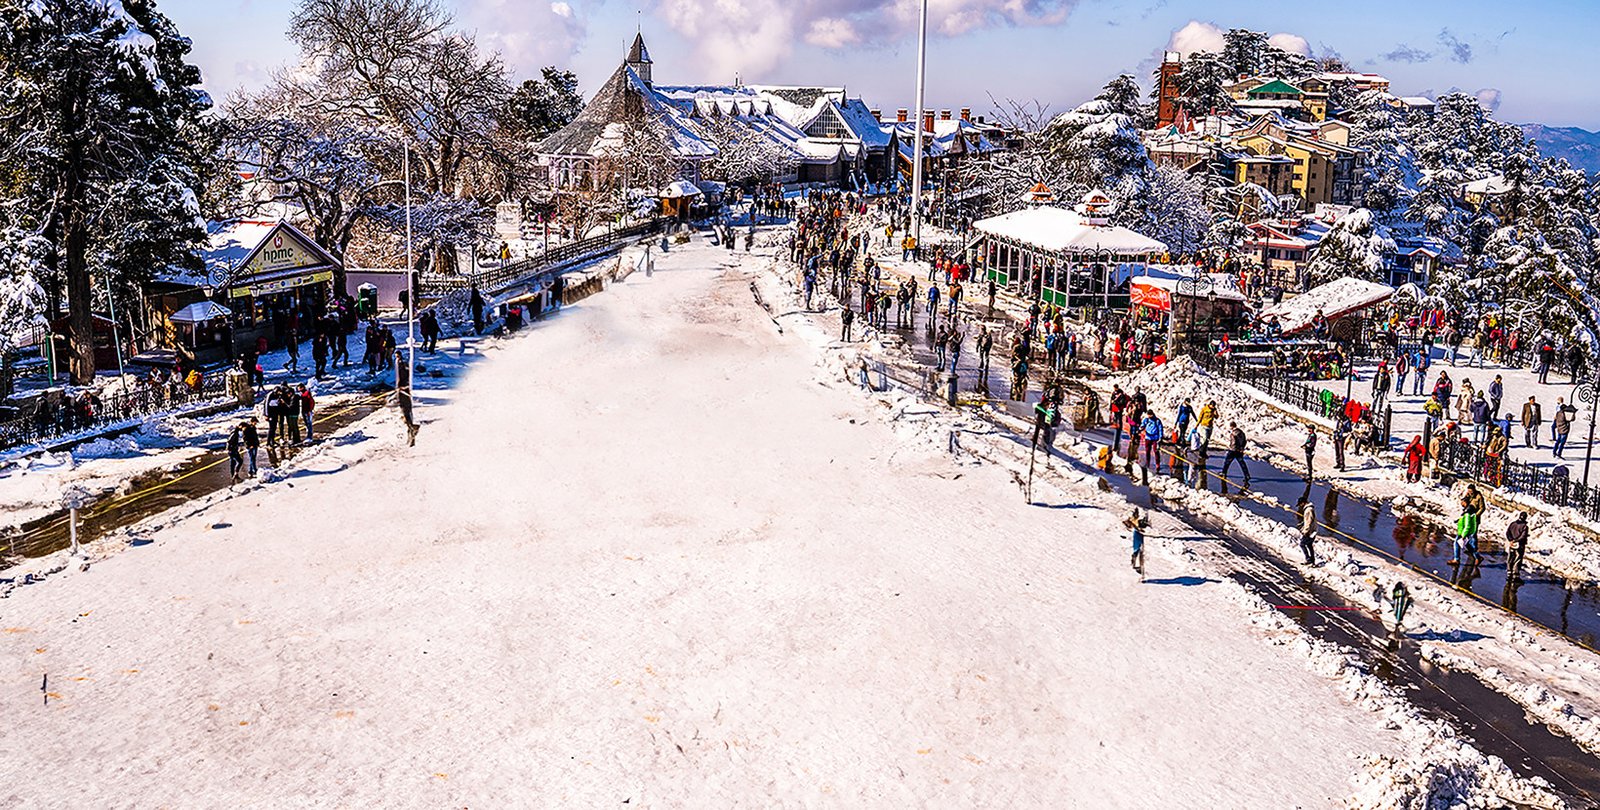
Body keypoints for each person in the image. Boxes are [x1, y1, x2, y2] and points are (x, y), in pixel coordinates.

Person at [395, 349, 419, 446]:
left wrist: (404, 386)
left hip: (404, 391)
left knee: (406, 411)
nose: (397, 358)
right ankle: (411, 430)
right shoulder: (398, 363)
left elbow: (405, 376)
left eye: (398, 356)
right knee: (405, 412)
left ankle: (412, 428)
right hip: (401, 390)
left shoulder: (402, 364)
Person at [1505, 512, 1529, 582]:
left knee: (1510, 558)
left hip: (1512, 544)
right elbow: (1523, 536)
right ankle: (1515, 575)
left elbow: (1508, 532)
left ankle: (1509, 573)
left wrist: (1511, 540)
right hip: (1519, 545)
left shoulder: (1513, 524)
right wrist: (1516, 540)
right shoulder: (1524, 526)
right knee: (1518, 559)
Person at [1125, 507, 1148, 581]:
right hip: (1138, 532)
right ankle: (1138, 569)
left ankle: (1140, 570)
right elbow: (1128, 522)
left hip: (1139, 532)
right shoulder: (1134, 515)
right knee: (1138, 550)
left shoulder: (1140, 514)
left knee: (1140, 551)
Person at [1298, 500, 1317, 565]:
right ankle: (1312, 560)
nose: (1300, 506)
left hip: (1309, 531)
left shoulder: (1308, 510)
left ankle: (1308, 559)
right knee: (1309, 545)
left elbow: (1308, 522)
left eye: (1300, 504)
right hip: (1313, 530)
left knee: (1302, 544)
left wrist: (1305, 531)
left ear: (1303, 503)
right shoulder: (1310, 509)